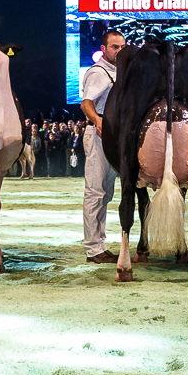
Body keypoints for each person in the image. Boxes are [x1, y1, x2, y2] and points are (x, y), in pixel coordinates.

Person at [78, 30, 124, 264]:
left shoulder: (118, 71)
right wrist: (97, 120)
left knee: (106, 193)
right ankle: (93, 248)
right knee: (95, 192)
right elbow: (86, 103)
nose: (119, 51)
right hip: (99, 134)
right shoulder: (98, 72)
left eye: (122, 47)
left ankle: (99, 244)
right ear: (103, 49)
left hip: (112, 134)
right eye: (115, 47)